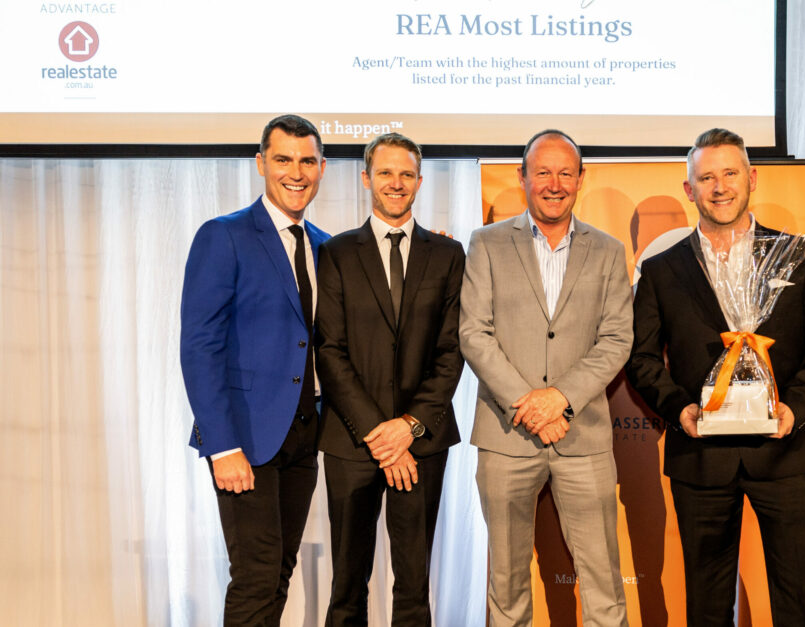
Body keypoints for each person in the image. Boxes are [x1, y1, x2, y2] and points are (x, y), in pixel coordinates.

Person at [626, 128, 805, 626]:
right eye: (706, 177)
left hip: (786, 453)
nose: (719, 186)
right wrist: (680, 410)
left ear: (752, 178)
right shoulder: (661, 270)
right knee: (707, 605)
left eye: (730, 173)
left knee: (803, 598)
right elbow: (641, 358)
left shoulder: (800, 257)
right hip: (700, 458)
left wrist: (792, 409)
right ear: (690, 189)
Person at [460, 129, 632, 627]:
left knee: (603, 584)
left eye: (564, 173)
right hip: (506, 435)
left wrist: (559, 399)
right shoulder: (487, 243)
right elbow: (474, 333)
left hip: (583, 436)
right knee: (507, 583)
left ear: (580, 178)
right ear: (522, 177)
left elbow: (617, 339)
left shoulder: (607, 249)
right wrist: (529, 404)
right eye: (542, 172)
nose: (554, 184)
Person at [180, 114, 328, 625]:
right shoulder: (224, 235)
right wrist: (222, 447)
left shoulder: (325, 244)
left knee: (279, 571)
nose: (296, 172)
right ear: (261, 163)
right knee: (256, 575)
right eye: (283, 159)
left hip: (305, 434)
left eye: (307, 161)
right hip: (243, 437)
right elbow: (199, 346)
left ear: (322, 167)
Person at [315, 132, 465, 627]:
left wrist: (409, 427)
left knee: (414, 587)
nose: (396, 183)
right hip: (352, 442)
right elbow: (329, 350)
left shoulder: (448, 255)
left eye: (406, 174)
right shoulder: (336, 252)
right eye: (385, 172)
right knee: (346, 587)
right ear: (366, 179)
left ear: (419, 181)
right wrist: (382, 435)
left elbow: (451, 351)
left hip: (422, 443)